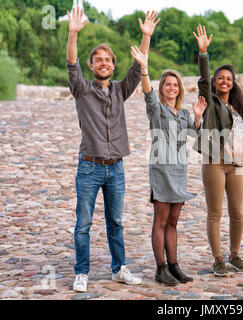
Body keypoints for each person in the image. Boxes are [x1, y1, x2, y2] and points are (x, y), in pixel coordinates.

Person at [66, 7, 160, 292]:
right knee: (83, 224)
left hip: (116, 168)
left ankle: (119, 268)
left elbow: (138, 66)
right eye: (98, 60)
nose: (103, 63)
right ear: (92, 66)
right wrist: (73, 33)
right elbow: (72, 63)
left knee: (116, 223)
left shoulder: (120, 90)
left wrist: (145, 37)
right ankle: (81, 272)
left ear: (113, 65)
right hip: (89, 167)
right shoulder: (82, 90)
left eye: (108, 60)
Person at [130, 44, 207, 286]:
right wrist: (144, 68)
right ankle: (160, 268)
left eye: (175, 85)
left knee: (174, 221)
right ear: (162, 88)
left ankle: (174, 266)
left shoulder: (183, 113)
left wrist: (197, 118)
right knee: (161, 220)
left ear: (179, 89)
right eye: (167, 84)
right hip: (161, 169)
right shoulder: (156, 108)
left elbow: (194, 136)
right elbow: (147, 91)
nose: (171, 88)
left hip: (179, 169)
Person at [192, 26, 243, 277]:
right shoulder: (210, 102)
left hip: (237, 165)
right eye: (220, 78)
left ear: (233, 83)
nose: (224, 81)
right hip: (215, 162)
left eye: (228, 78)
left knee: (237, 213)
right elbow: (202, 78)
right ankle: (218, 259)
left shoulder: (238, 107)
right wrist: (203, 53)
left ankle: (235, 254)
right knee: (215, 212)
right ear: (214, 82)